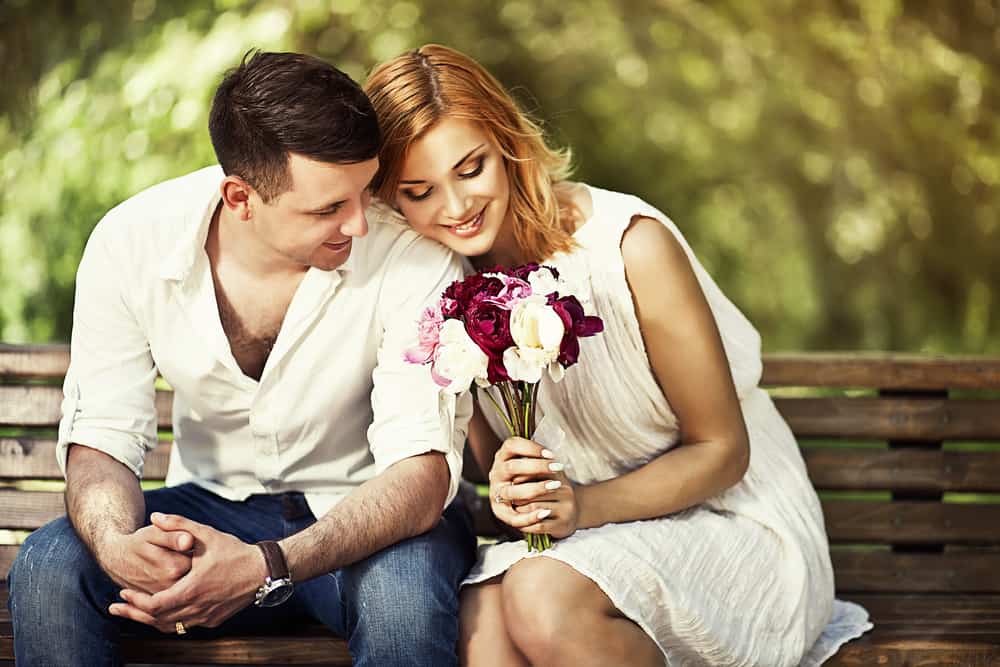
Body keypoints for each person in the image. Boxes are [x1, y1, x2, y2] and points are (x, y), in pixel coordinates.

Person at [363, 44, 873, 667]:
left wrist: (583, 506)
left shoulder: (629, 245)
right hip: (584, 542)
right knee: (482, 618)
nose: (454, 207)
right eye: (418, 192)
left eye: (470, 169)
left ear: (507, 143)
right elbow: (491, 462)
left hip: (733, 521)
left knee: (540, 594)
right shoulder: (440, 288)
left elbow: (723, 450)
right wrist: (504, 484)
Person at [7, 50, 477, 667]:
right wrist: (119, 543)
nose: (361, 224)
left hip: (367, 519)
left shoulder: (413, 256)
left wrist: (264, 565)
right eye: (328, 208)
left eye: (364, 190)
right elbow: (102, 432)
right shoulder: (131, 243)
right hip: (206, 505)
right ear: (240, 196)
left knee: (404, 605)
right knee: (48, 570)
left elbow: (420, 475)